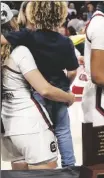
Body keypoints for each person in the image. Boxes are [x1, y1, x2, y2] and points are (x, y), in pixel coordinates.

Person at [1, 1, 79, 167]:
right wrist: (65, 89)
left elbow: (3, 40)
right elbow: (72, 71)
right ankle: (69, 166)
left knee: (45, 127)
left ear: (33, 13)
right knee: (63, 130)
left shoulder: (28, 37)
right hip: (58, 89)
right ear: (61, 14)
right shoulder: (66, 42)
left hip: (36, 92)